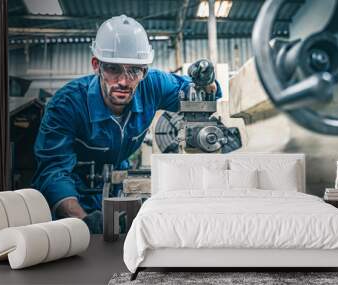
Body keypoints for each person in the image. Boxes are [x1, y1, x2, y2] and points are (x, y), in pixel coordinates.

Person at [32, 15, 222, 233]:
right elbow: (53, 170)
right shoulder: (67, 104)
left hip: (118, 187)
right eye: (113, 69)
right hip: (73, 194)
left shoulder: (153, 85)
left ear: (144, 71)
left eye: (134, 70)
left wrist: (207, 83)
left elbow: (199, 93)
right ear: (97, 65)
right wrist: (82, 220)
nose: (123, 81)